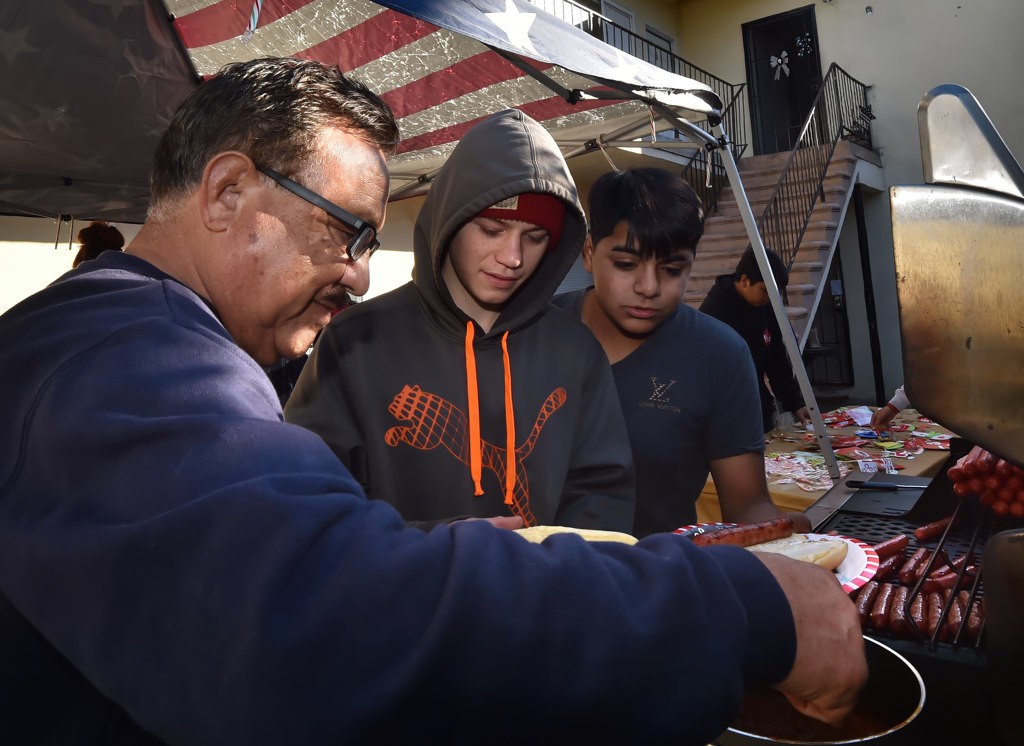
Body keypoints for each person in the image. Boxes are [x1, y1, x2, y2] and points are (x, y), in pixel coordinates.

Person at [0, 57, 865, 744]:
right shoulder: (134, 361)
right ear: (228, 193)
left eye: (372, 239)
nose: (362, 270)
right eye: (343, 228)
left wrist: (408, 551)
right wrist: (737, 609)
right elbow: (318, 629)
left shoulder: (105, 340)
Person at [285, 108, 635, 532]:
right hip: (399, 593)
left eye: (536, 237)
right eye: (491, 230)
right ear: (449, 221)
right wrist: (441, 547)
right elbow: (310, 509)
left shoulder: (575, 351)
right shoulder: (355, 340)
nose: (513, 258)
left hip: (545, 594)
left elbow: (603, 499)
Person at [553, 168, 811, 537]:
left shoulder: (718, 354)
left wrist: (783, 534)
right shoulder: (532, 334)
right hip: (528, 580)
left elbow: (746, 504)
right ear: (590, 252)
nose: (648, 287)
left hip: (661, 580)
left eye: (672, 269)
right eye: (626, 264)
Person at [700, 246, 812, 433]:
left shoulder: (766, 306)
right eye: (764, 290)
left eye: (774, 292)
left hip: (758, 407)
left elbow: (776, 358)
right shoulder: (715, 313)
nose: (768, 297)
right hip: (726, 415)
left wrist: (795, 403)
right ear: (744, 281)